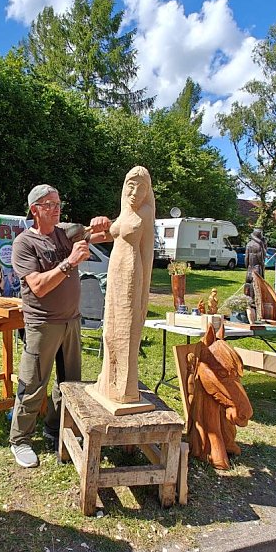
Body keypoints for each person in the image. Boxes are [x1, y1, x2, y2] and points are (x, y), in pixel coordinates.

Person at [9, 184, 112, 468]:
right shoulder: (24, 244)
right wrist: (70, 262)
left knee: (70, 384)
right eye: (49, 205)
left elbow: (107, 233)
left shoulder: (65, 232)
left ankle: (55, 429)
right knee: (33, 383)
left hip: (71, 320)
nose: (56, 209)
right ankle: (20, 440)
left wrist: (104, 222)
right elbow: (39, 287)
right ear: (34, 210)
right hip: (42, 323)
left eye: (58, 203)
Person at [94, 166, 155, 404]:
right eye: (131, 185)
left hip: (131, 272)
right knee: (111, 329)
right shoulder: (124, 212)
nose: (135, 192)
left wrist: (143, 294)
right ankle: (108, 378)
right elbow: (108, 233)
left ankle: (125, 386)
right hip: (115, 272)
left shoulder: (146, 213)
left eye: (142, 187)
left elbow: (147, 252)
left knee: (127, 329)